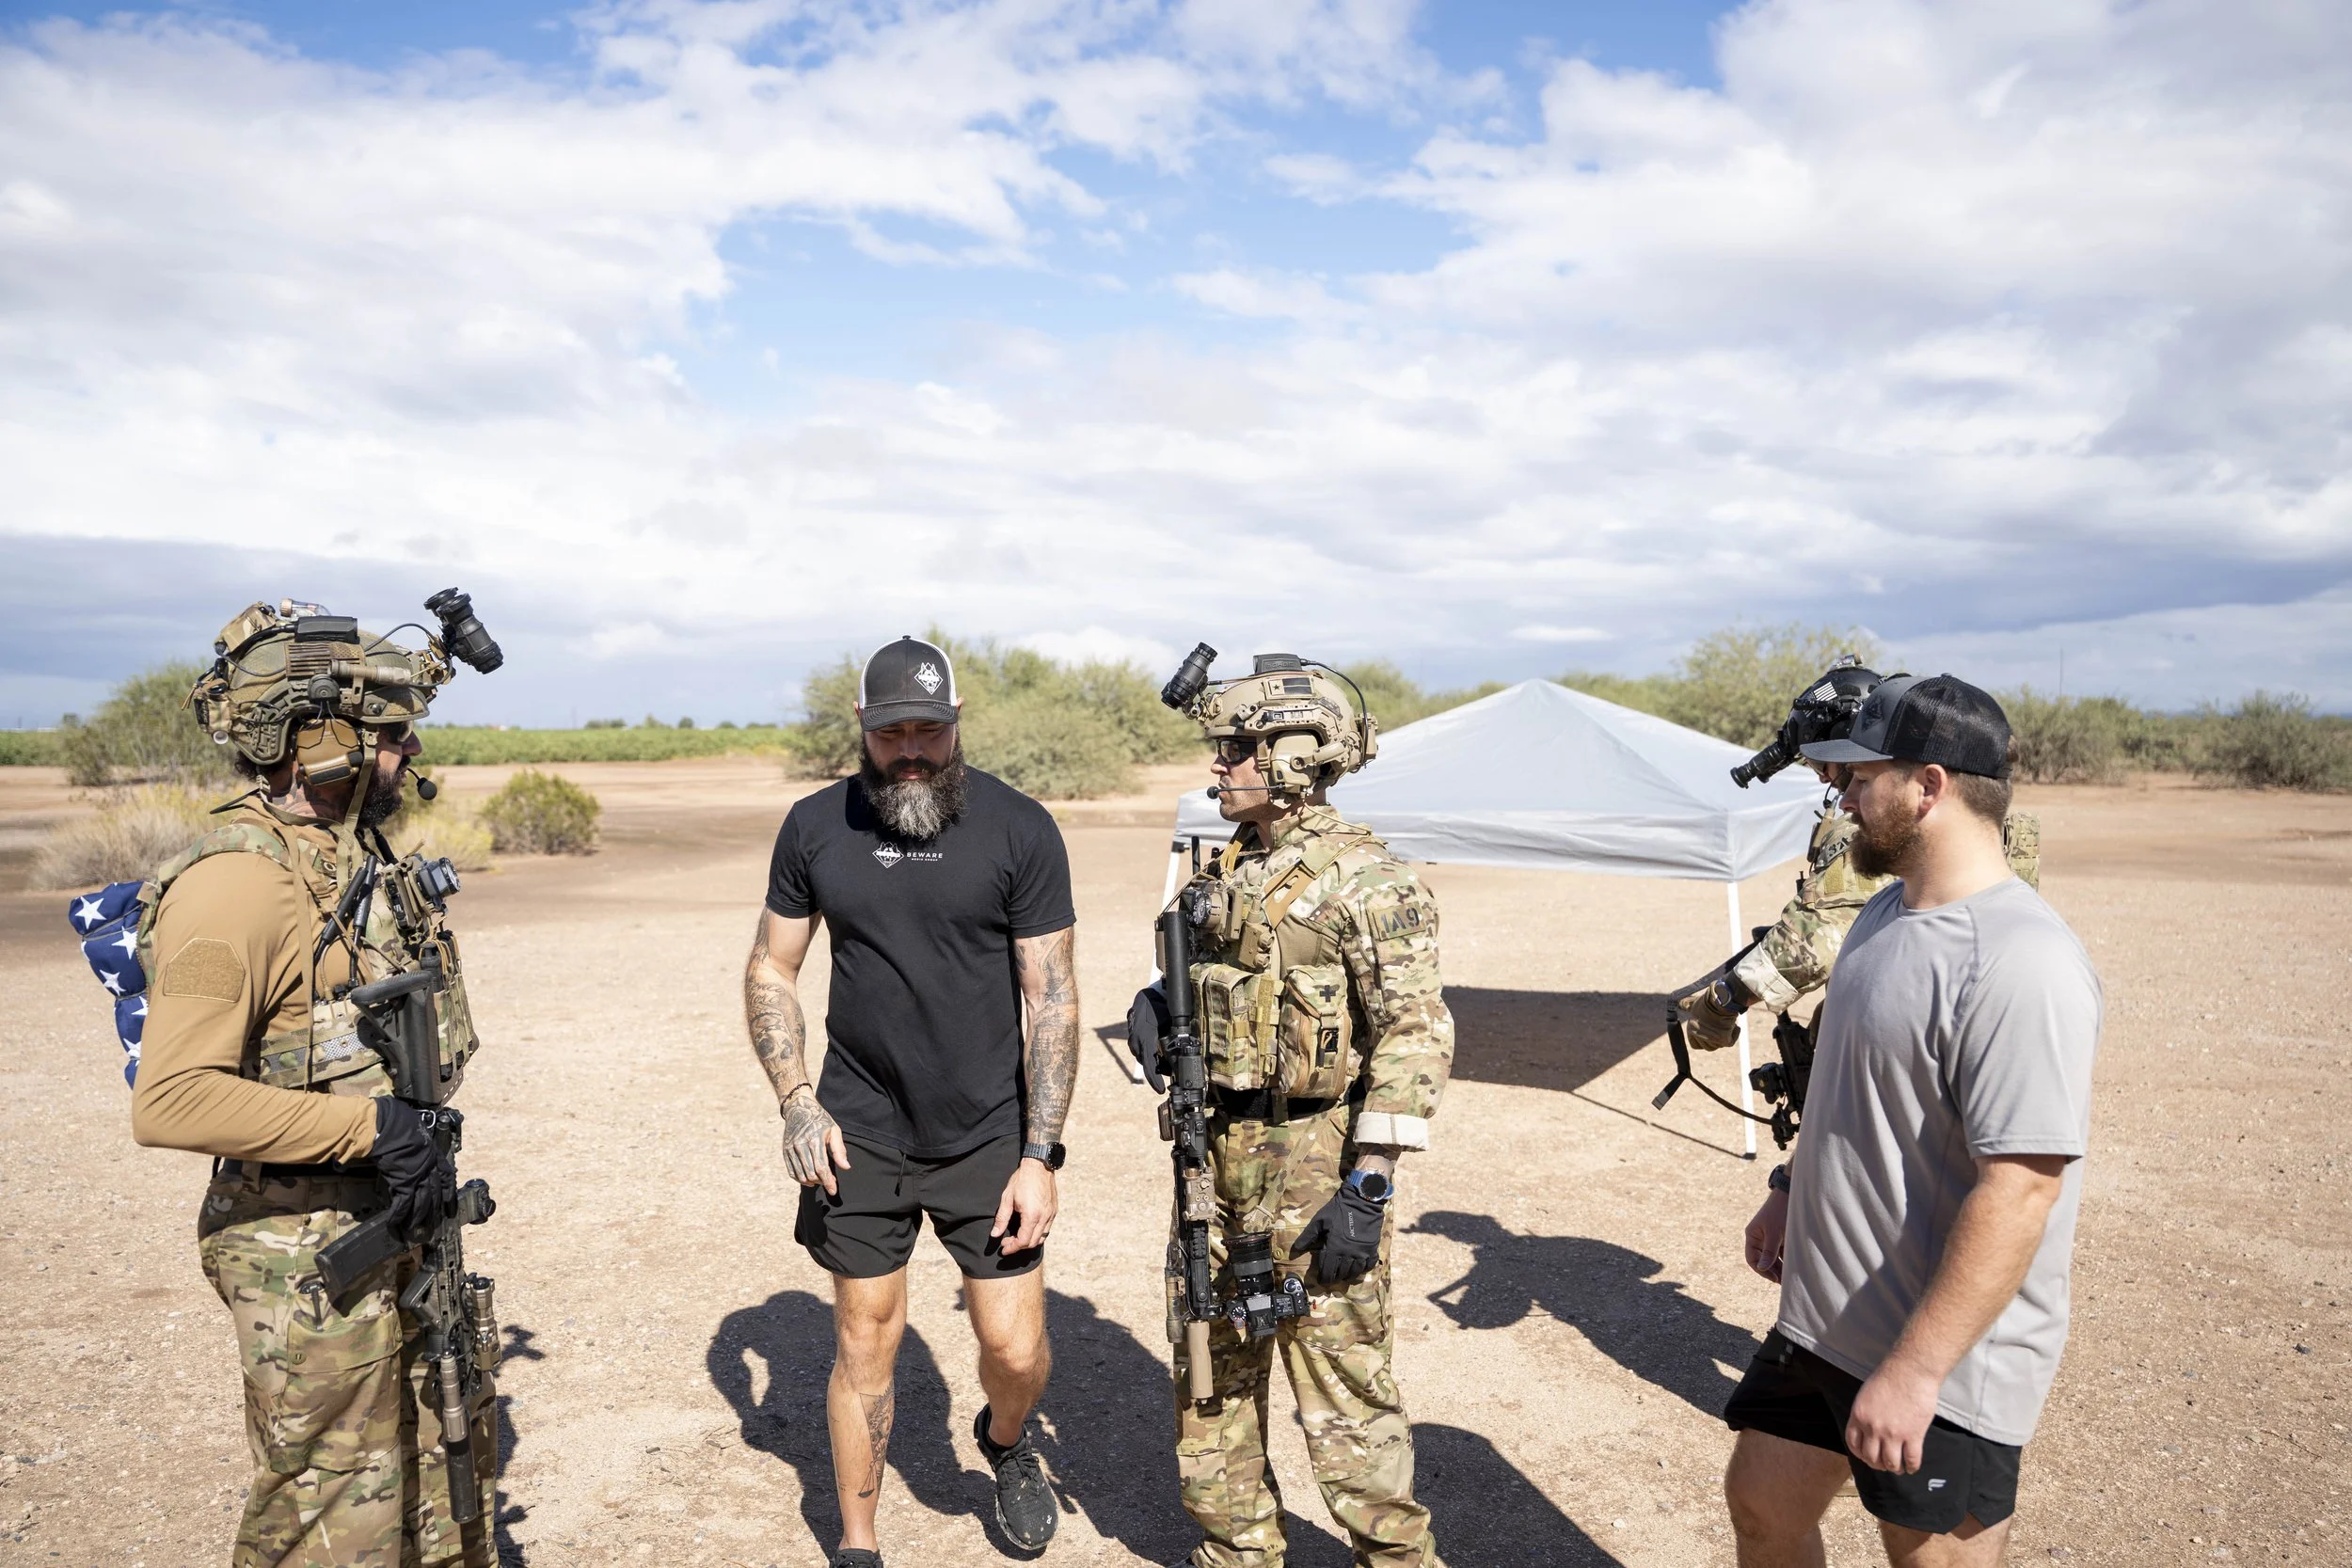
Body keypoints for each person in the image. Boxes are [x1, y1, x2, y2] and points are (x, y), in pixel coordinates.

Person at [128, 597, 499, 1566]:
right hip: (306, 1259)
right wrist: (373, 1129)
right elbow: (172, 1097)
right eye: (392, 731)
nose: (409, 750)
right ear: (319, 736)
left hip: (394, 1228)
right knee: (328, 1522)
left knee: (429, 1499)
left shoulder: (345, 856)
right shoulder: (235, 882)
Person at [1720, 675, 2103, 1568]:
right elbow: (1847, 1081)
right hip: (1826, 1317)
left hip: (1946, 1359)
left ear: (1929, 786)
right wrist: (1789, 1186)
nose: (1842, 794)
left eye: (1863, 777)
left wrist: (1917, 1369)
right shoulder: (1887, 911)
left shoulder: (2023, 961)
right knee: (1761, 1506)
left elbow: (2019, 1191)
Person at [742, 635, 1079, 1568]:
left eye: (930, 730)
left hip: (986, 1132)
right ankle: (858, 1542)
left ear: (957, 723)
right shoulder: (816, 825)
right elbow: (774, 963)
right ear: (863, 728)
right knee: (864, 1340)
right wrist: (796, 1098)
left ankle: (1007, 1443)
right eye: (894, 734)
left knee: (1013, 1348)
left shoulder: (1018, 827)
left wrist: (1039, 1154)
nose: (913, 750)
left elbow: (1050, 997)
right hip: (861, 1131)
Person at [1137, 652, 1453, 1568]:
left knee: (1349, 1421)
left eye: (1235, 747)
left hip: (1317, 1168)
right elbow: (1208, 990)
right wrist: (1159, 1001)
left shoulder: (1367, 881)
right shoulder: (1227, 868)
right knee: (1210, 1397)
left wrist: (1370, 1183)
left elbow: (1415, 1029)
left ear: (1293, 753)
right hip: (1214, 1163)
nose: (1218, 765)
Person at [1674, 661, 2042, 1163]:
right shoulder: (1978, 837)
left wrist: (1723, 1002)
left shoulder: (1883, 828)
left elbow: (1814, 939)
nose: (1836, 790)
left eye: (1838, 769)